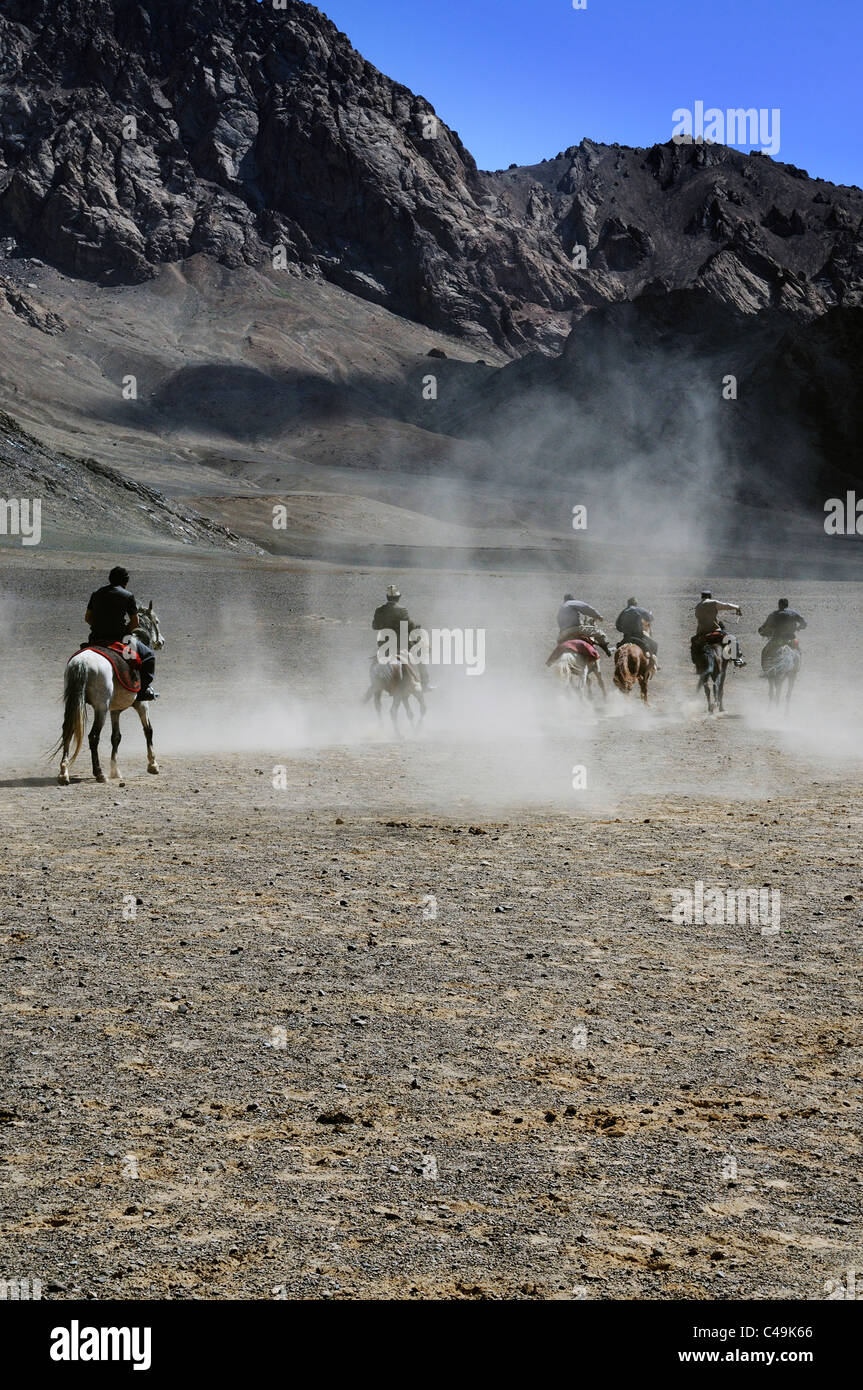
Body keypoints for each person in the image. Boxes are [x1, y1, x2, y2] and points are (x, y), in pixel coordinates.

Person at [85, 566, 157, 699]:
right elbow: (135, 622)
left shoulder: (96, 593)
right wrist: (124, 632)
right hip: (118, 639)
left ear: (110, 579)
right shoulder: (127, 596)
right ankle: (143, 691)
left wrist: (99, 627)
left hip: (96, 638)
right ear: (125, 582)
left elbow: (87, 618)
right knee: (149, 656)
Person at [372, 584, 430, 689]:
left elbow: (375, 626)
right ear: (398, 597)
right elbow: (409, 626)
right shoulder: (402, 609)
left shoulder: (379, 610)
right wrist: (416, 627)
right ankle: (425, 684)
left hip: (383, 644)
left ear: (387, 597)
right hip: (401, 643)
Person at [690, 590, 745, 668]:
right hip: (715, 631)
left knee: (694, 643)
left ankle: (696, 662)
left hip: (701, 633)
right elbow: (726, 606)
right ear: (710, 596)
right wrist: (737, 607)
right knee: (732, 639)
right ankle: (736, 659)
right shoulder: (712, 602)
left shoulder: (698, 606)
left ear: (701, 597)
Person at [758, 598, 806, 675]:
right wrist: (798, 628)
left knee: (764, 651)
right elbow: (804, 623)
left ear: (779, 605)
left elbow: (764, 627)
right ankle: (797, 668)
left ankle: (765, 670)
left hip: (777, 639)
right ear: (787, 605)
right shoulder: (794, 613)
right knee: (798, 651)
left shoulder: (774, 614)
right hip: (791, 639)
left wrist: (761, 631)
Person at [556, 592, 613, 657]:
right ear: (572, 599)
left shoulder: (561, 608)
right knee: (600, 634)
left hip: (563, 633)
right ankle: (607, 651)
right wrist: (598, 616)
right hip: (574, 629)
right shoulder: (572, 603)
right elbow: (586, 608)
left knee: (559, 644)